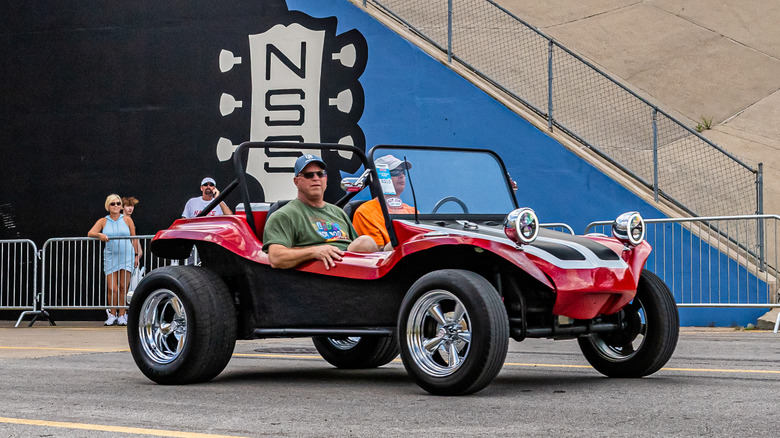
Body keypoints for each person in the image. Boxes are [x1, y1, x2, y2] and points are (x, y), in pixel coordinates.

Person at [263, 154, 378, 269]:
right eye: (308, 175)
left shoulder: (338, 212)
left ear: (326, 179)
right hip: (320, 277)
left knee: (390, 246)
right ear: (296, 181)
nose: (316, 178)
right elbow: (276, 258)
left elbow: (357, 246)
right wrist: (314, 251)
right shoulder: (284, 215)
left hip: (351, 269)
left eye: (320, 174)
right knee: (366, 243)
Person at [88, 194, 142, 326]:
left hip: (126, 255)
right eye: (113, 204)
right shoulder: (103, 221)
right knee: (112, 288)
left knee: (124, 287)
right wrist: (99, 234)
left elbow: (134, 238)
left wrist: (136, 255)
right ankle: (112, 314)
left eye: (118, 203)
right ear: (108, 206)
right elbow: (90, 233)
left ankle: (122, 315)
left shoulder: (127, 220)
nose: (116, 206)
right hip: (111, 256)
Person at [353, 154, 416, 250]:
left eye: (403, 172)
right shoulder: (365, 212)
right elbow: (377, 253)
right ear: (379, 177)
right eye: (395, 172)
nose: (401, 175)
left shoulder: (413, 212)